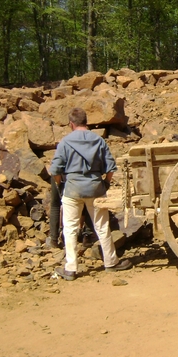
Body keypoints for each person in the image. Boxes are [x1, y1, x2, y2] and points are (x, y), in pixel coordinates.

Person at [50, 107, 132, 280]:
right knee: (102, 226)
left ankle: (71, 268)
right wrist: (106, 183)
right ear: (86, 122)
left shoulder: (65, 142)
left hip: (72, 189)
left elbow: (55, 170)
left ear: (71, 124)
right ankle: (111, 262)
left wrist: (61, 186)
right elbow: (111, 167)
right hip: (95, 188)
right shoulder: (98, 140)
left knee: (70, 228)